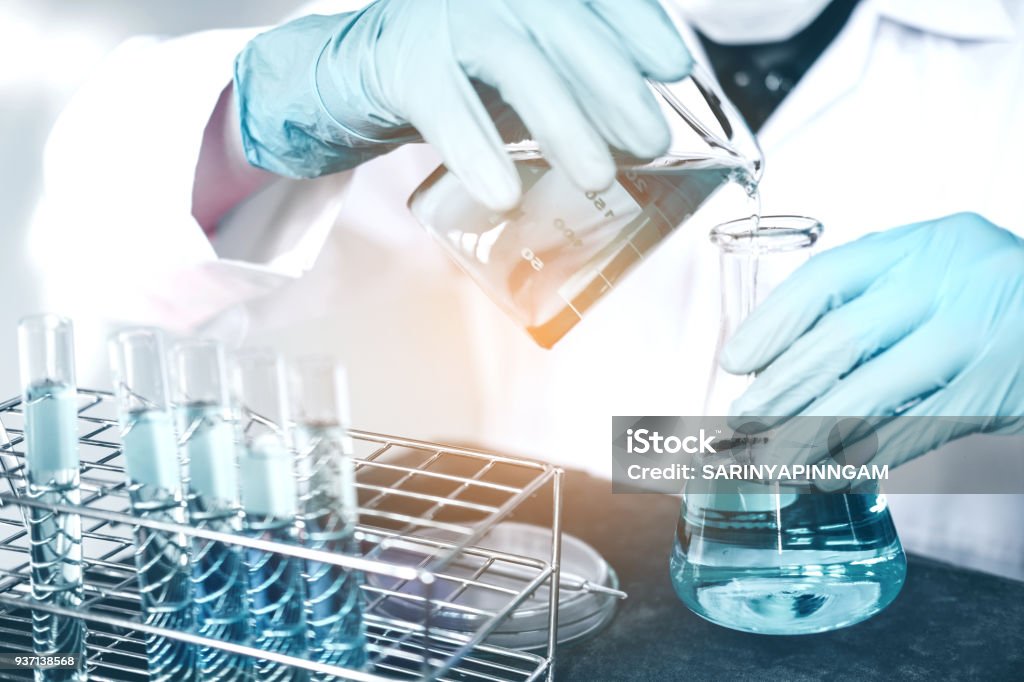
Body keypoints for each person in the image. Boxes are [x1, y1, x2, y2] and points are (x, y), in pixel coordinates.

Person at [30, 0, 1024, 579]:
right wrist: (268, 107)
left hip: (929, 630)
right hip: (555, 612)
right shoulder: (479, 23)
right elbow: (96, 257)